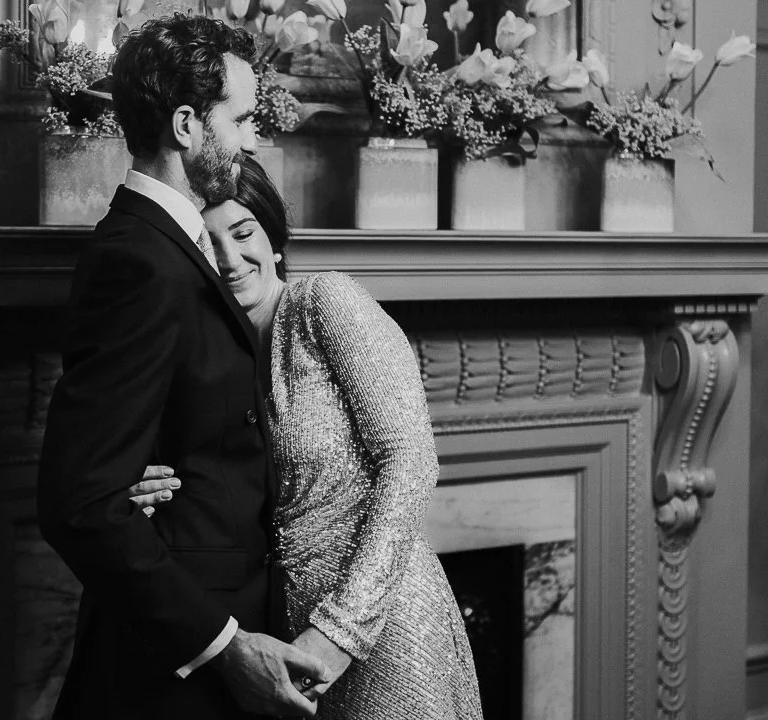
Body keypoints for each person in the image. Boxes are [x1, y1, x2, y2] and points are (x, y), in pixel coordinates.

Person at [36, 16, 328, 720]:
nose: (254, 138)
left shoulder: (180, 244)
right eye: (244, 118)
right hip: (168, 675)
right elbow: (78, 504)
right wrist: (226, 646)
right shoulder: (139, 260)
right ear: (189, 124)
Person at [133, 158, 484, 719]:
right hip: (281, 638)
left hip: (384, 623)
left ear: (274, 238)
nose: (228, 260)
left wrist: (342, 630)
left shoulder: (325, 302)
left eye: (243, 233)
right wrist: (141, 490)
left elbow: (411, 458)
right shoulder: (206, 360)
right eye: (207, 244)